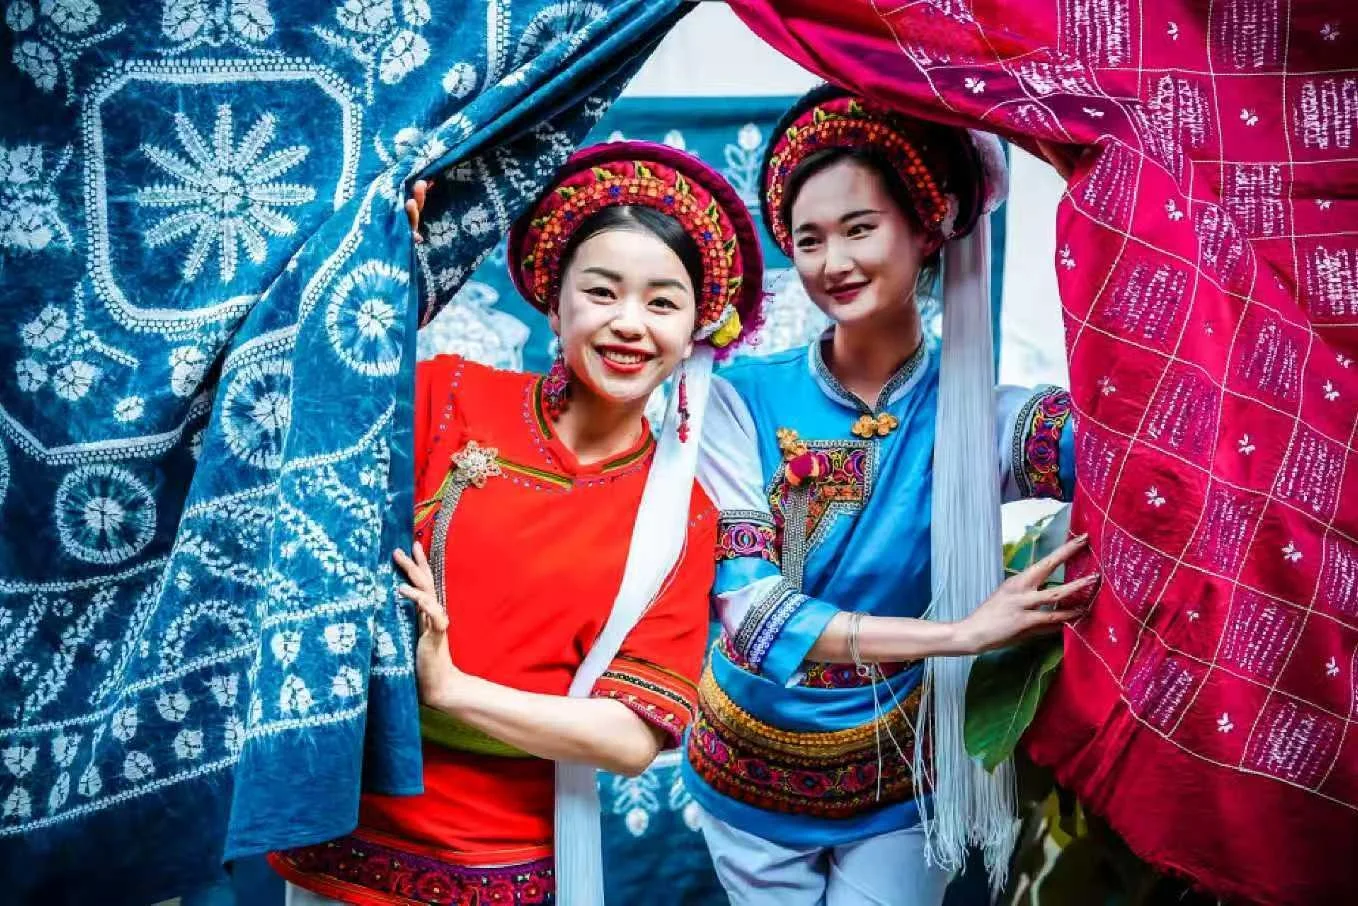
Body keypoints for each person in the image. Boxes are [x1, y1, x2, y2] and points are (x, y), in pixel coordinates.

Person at [270, 140, 765, 906]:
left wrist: (452, 689)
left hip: (502, 859)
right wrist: (370, 255)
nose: (630, 323)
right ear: (555, 297)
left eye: (663, 302)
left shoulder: (681, 514)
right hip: (342, 829)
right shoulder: (450, 397)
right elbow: (312, 413)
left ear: (697, 327)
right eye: (602, 292)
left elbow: (632, 739)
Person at [683, 85, 1092, 906]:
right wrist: (963, 634)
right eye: (808, 239)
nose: (832, 261)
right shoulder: (737, 400)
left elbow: (1132, 455)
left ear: (926, 226)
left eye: (859, 228)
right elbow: (754, 616)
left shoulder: (986, 418)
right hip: (748, 772)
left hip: (902, 780)